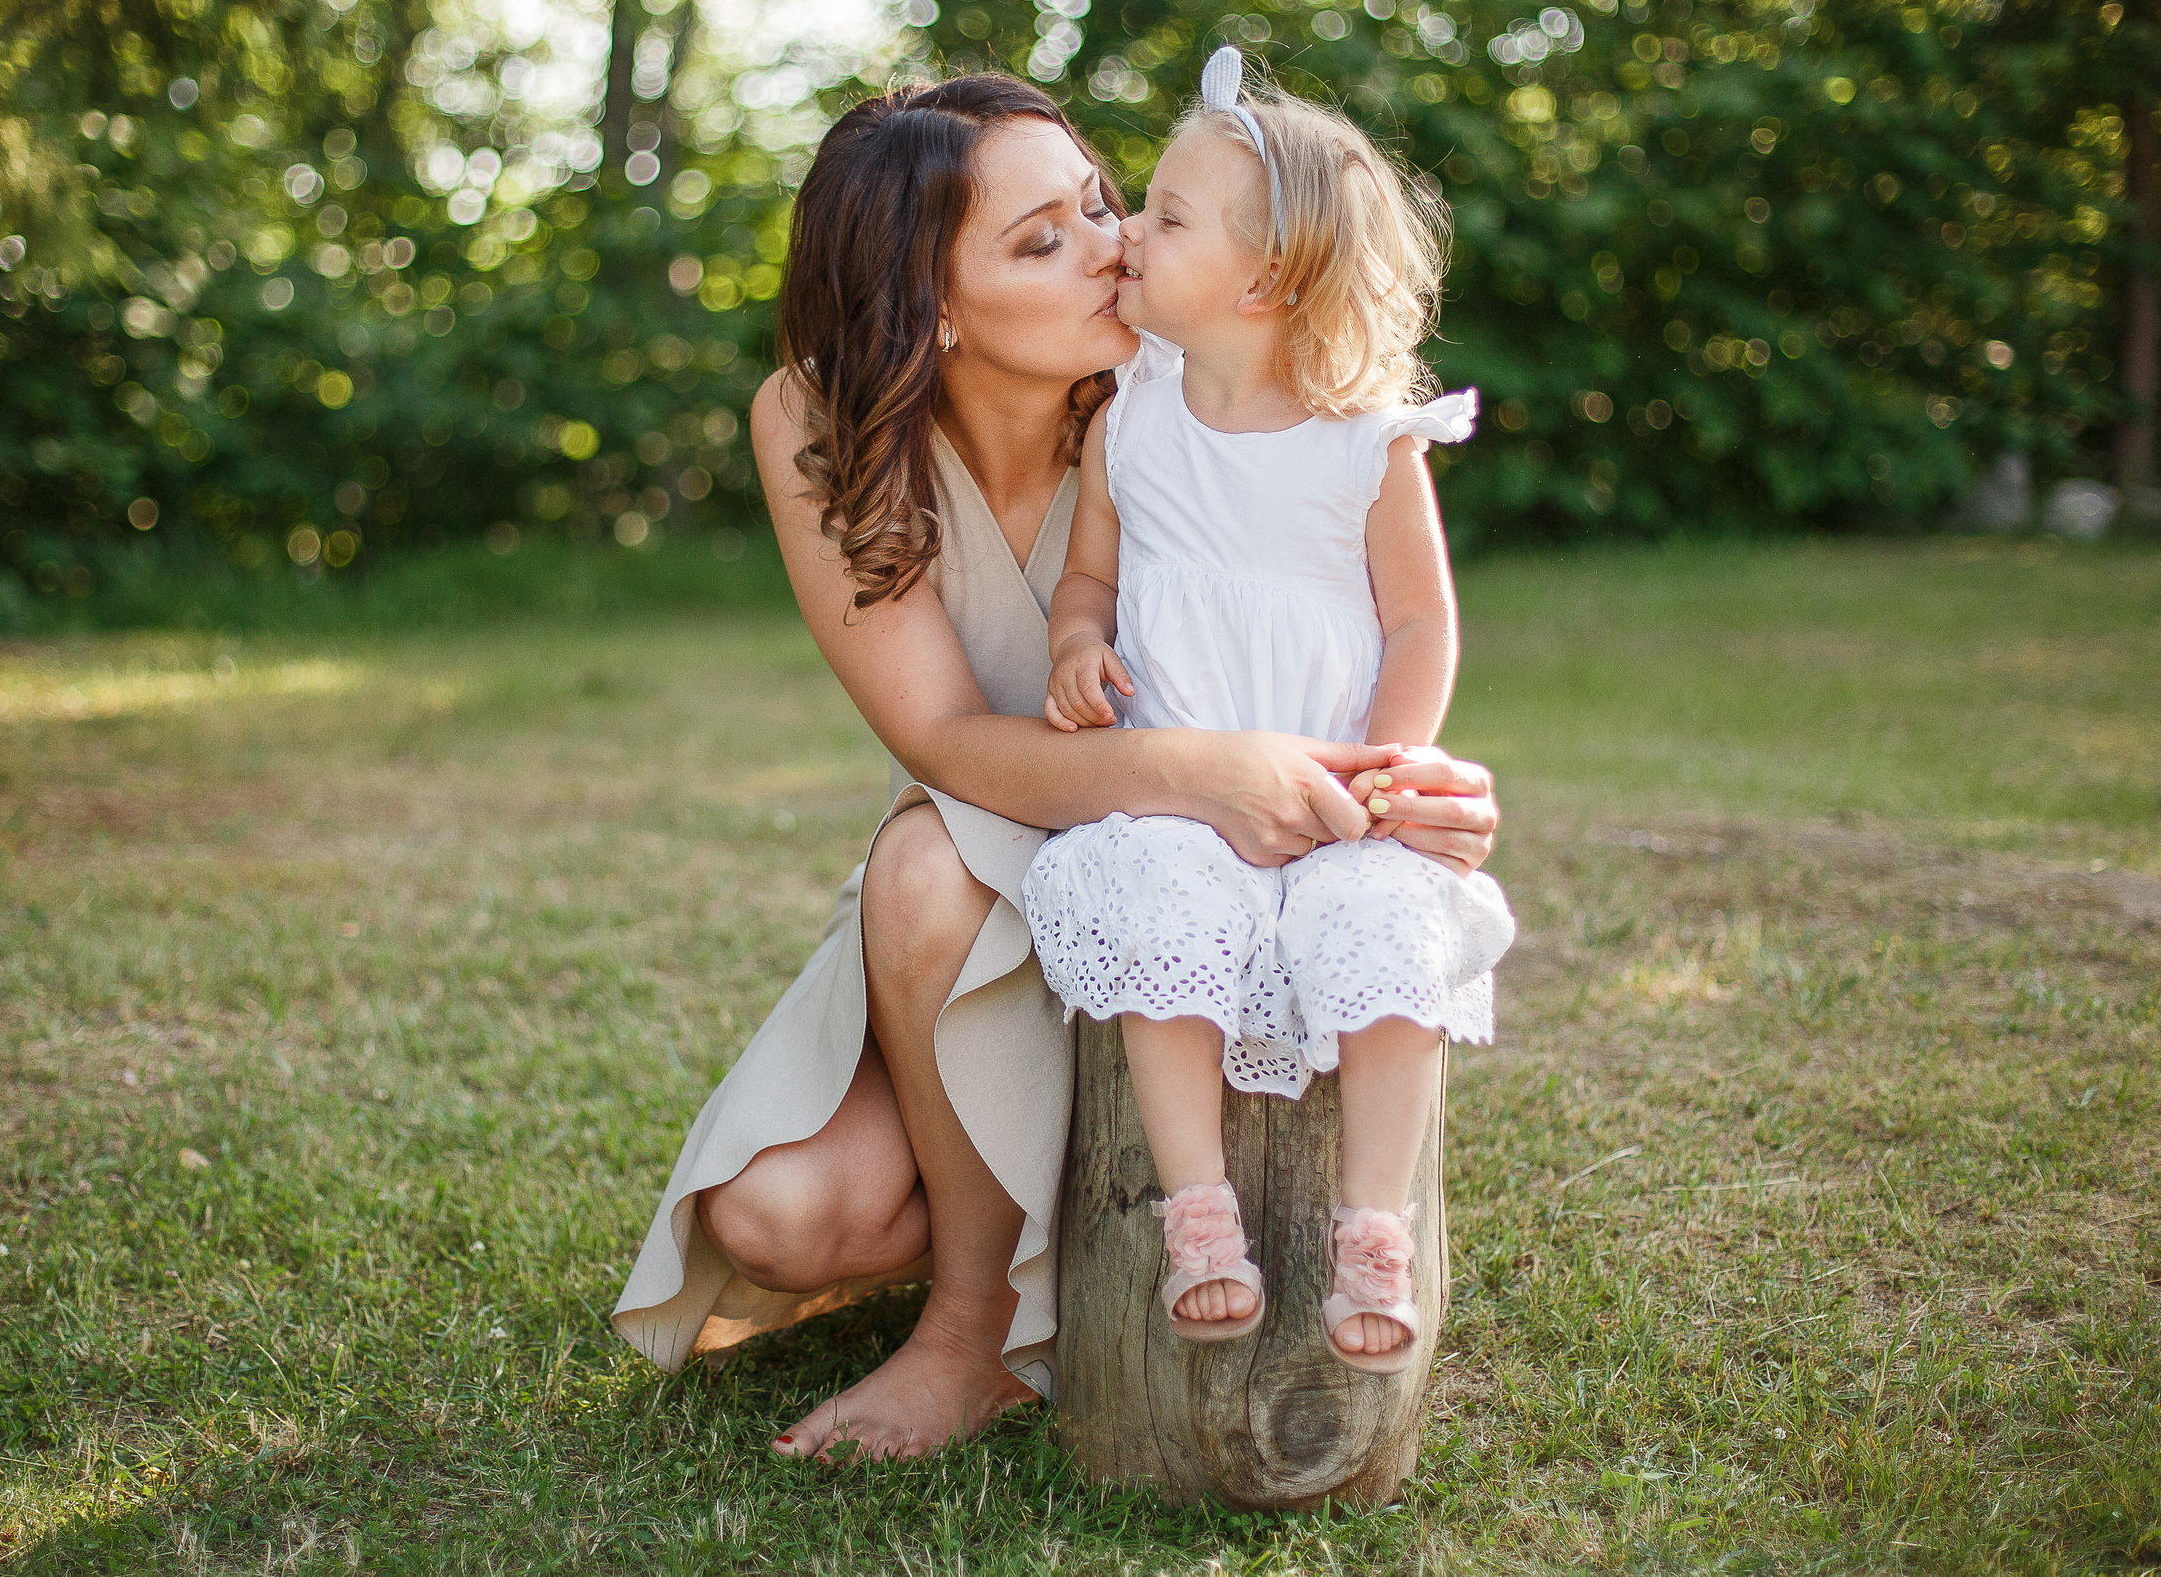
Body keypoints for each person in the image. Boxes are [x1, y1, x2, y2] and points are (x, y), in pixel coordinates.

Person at [609, 71, 1504, 1461]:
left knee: (924, 862)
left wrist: (1401, 775)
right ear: (932, 308)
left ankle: (976, 1333)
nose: (1113, 245)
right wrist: (1198, 769)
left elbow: (1364, 588)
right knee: (784, 1219)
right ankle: (1029, 1216)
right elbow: (944, 745)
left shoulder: (1175, 379)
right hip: (1012, 834)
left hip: (1201, 853)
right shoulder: (819, 420)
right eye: (1044, 241)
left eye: (1104, 203)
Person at [1023, 50, 1515, 1371]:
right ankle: (1197, 1214)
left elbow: (1419, 620)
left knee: (1383, 925)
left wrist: (1394, 768)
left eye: (1166, 217)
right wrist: (1077, 645)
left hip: (1337, 791)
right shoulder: (1130, 417)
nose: (1126, 231)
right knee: (1159, 903)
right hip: (1180, 785)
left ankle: (1372, 1227)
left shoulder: (1367, 437)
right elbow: (1090, 576)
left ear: (1267, 278)